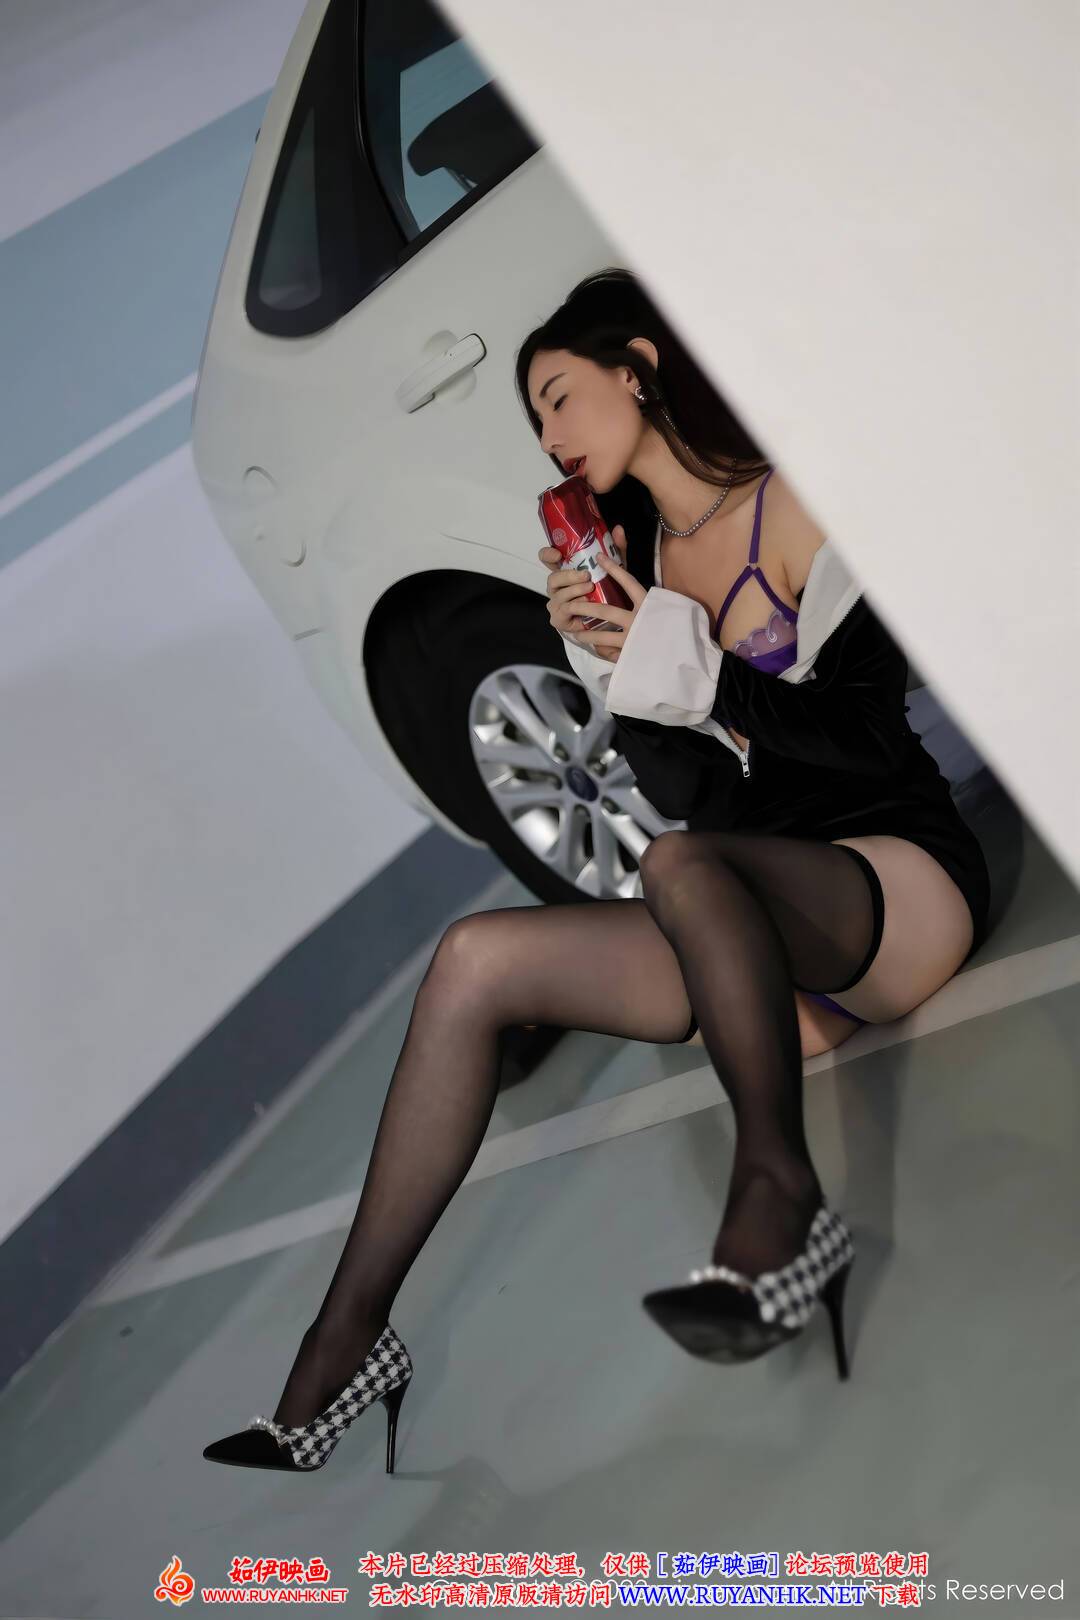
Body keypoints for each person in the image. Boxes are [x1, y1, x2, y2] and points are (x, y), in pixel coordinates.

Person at [203, 266, 994, 1475]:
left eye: (560, 397)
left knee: (675, 865)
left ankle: (779, 1200)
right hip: (769, 948)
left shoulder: (794, 501)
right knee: (473, 959)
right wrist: (623, 675)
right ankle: (343, 1343)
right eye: (535, 421)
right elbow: (704, 804)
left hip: (899, 889)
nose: (551, 436)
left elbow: (871, 741)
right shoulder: (638, 574)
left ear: (640, 368)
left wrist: (700, 670)